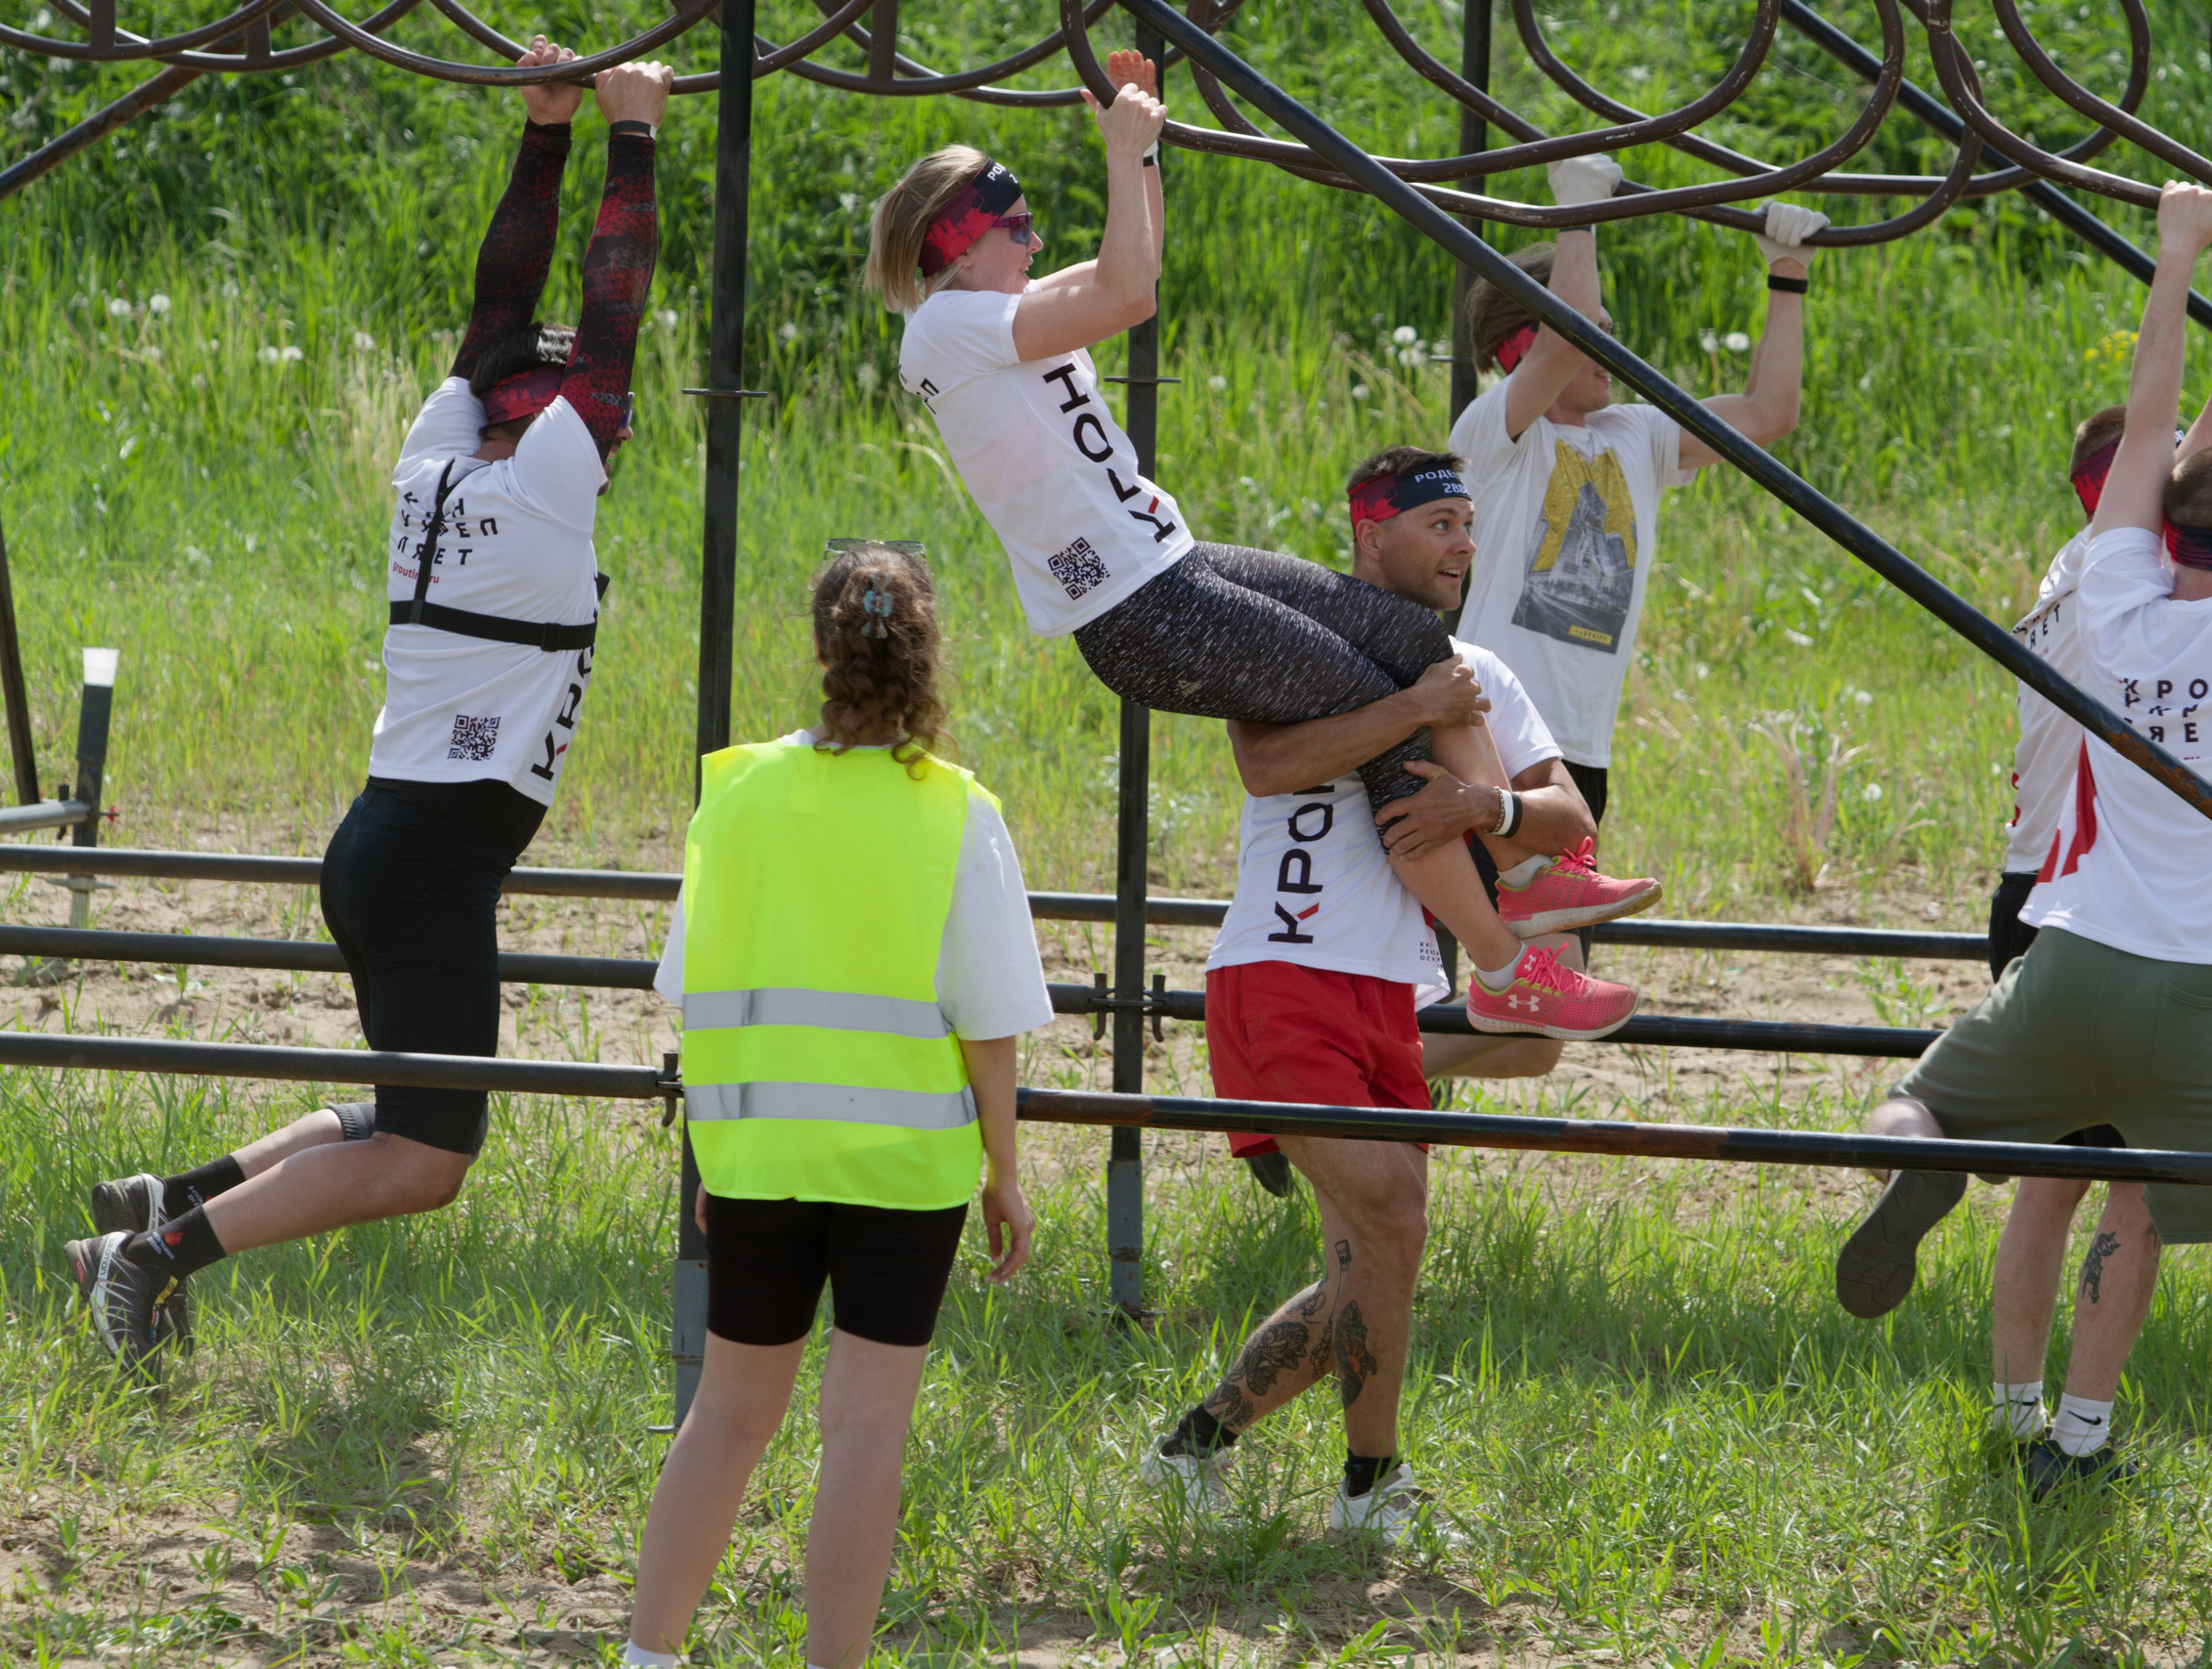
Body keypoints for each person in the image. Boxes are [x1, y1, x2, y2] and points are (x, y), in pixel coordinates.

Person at [1832, 180, 2212, 1636]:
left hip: (2074, 956)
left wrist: (2188, 247)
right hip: (2211, 1000)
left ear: (2157, 525)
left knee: (1927, 1101)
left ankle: (1921, 1161)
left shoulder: (2106, 597)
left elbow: (2157, 402)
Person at [66, 43, 675, 1375]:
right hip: (425, 862)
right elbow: (608, 311)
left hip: (391, 842)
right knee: (428, 1157)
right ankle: (155, 1259)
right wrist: (633, 142)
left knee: (401, 1113)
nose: (614, 421)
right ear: (568, 421)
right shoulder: (548, 489)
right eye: (596, 410)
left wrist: (544, 130)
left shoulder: (436, 454)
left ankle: (166, 1200)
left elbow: (501, 299)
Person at [866, 52, 1653, 1045]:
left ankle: (1534, 879)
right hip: (1140, 610)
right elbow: (1120, 294)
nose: (1033, 240)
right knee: (1389, 716)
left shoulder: (990, 314)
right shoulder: (946, 330)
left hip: (1173, 567)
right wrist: (1121, 149)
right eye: (1016, 227)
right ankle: (1503, 972)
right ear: (961, 240)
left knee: (1416, 639)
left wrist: (1142, 153)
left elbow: (1132, 274)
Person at [1145, 449, 1645, 1539]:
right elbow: (1269, 765)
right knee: (1396, 1222)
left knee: (1372, 1260)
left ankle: (1193, 1448)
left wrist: (1484, 805)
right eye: (1440, 524)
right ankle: (1372, 1491)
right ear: (1372, 536)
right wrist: (1412, 704)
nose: (1464, 544)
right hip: (1279, 975)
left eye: (1470, 523)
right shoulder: (1293, 640)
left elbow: (1565, 821)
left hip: (1394, 994)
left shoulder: (1481, 675)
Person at [620, 543, 1053, 1669]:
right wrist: (1005, 1173)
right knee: (863, 1429)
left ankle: (649, 1655)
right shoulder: (957, 812)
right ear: (927, 654)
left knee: (726, 1416)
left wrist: (718, 1157)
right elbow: (989, 1020)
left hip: (757, 1159)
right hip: (904, 1172)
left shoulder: (739, 793)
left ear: (818, 650)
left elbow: (694, 992)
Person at [1983, 163, 2212, 1496]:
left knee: (2047, 1175)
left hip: (2028, 887)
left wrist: (2190, 251)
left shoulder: (2087, 567)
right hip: (2115, 900)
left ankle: (2010, 1403)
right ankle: (2080, 1432)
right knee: (2137, 1187)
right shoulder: (2148, 568)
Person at [1450, 155, 1825, 826]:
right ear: (1523, 348)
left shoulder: (1635, 434)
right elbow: (1571, 332)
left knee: (1560, 928)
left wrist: (1786, 273)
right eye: (1597, 335)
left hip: (1580, 744)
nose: (1608, 348)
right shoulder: (1495, 432)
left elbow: (1770, 412)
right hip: (1493, 728)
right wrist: (1579, 212)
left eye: (1611, 334)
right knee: (1518, 927)